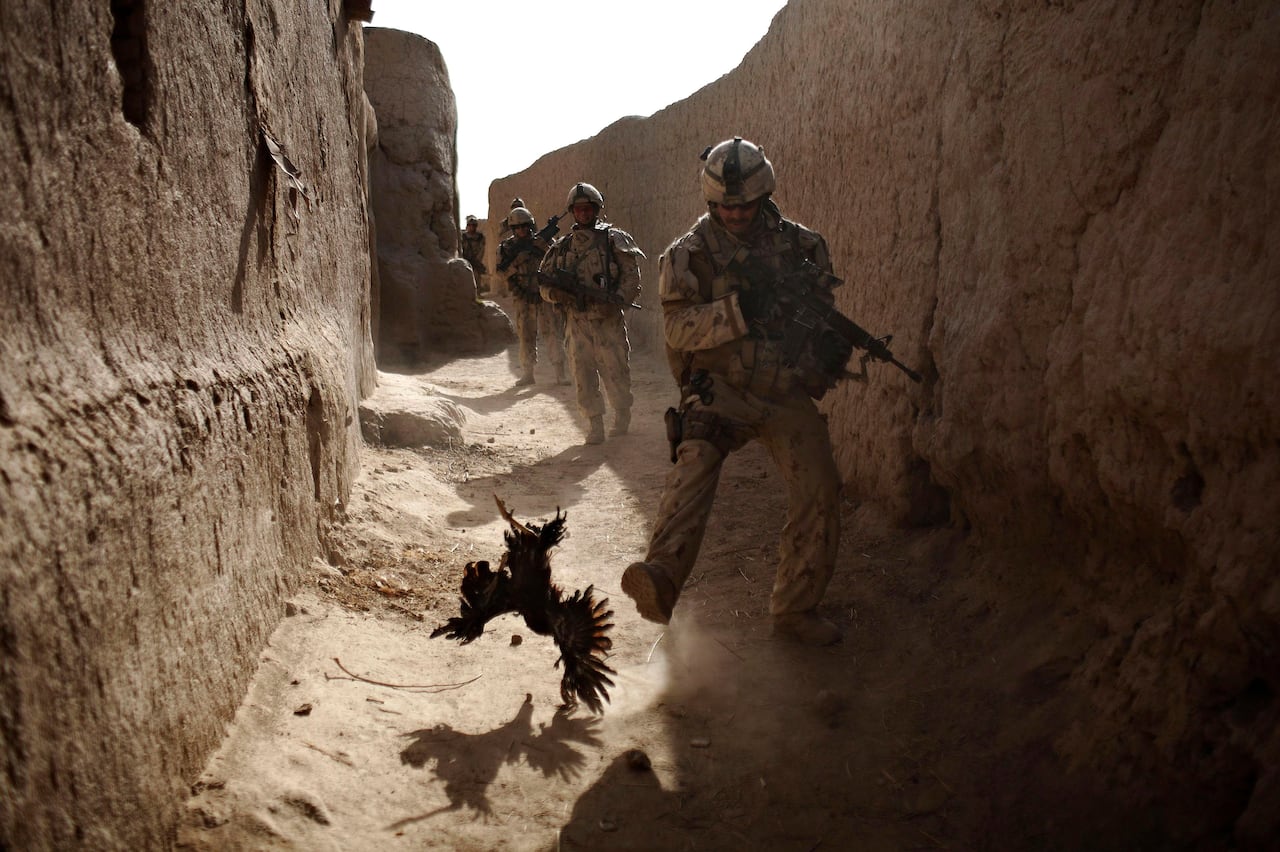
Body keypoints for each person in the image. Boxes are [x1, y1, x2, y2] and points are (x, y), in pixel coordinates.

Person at [621, 137, 851, 646]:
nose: (736, 213)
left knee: (820, 487)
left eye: (744, 204)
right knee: (694, 464)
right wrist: (740, 310)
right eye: (725, 206)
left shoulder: (803, 246)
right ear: (711, 201)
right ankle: (660, 576)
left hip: (781, 388)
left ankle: (795, 610)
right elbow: (678, 329)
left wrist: (824, 351)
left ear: (763, 194)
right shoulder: (688, 255)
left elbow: (818, 315)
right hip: (720, 386)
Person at [538, 182, 644, 445]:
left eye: (588, 209)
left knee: (616, 370)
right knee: (582, 374)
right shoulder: (561, 248)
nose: (584, 213)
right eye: (579, 209)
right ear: (573, 211)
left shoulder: (614, 239)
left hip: (607, 320)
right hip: (576, 322)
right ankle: (595, 424)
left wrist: (617, 300)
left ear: (596, 209)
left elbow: (632, 277)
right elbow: (543, 285)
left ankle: (622, 414)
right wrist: (557, 295)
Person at [497, 206, 568, 387]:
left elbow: (557, 262)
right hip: (522, 295)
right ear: (513, 229)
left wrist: (542, 248)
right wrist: (521, 258)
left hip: (544, 294)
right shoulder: (506, 248)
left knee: (552, 332)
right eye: (518, 227)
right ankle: (528, 373)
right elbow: (501, 273)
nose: (522, 230)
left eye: (525, 226)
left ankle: (560, 373)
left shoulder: (544, 241)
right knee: (526, 334)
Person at [460, 214, 487, 290]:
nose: (471, 227)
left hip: (476, 260)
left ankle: (477, 293)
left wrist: (478, 260)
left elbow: (482, 249)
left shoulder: (480, 237)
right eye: (470, 225)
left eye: (473, 225)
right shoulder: (463, 236)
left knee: (476, 277)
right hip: (466, 259)